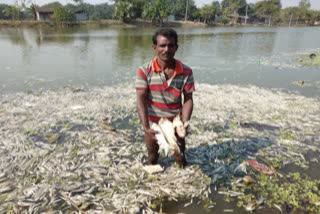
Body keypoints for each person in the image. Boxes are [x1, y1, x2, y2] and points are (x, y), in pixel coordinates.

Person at [135, 28, 195, 167]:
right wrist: (146, 127)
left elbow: (188, 99)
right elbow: (140, 100)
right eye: (162, 45)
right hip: (154, 124)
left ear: (176, 47)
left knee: (180, 156)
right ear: (154, 47)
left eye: (171, 45)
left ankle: (182, 170)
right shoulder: (144, 71)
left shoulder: (186, 71)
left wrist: (183, 123)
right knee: (152, 157)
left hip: (175, 121)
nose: (166, 49)